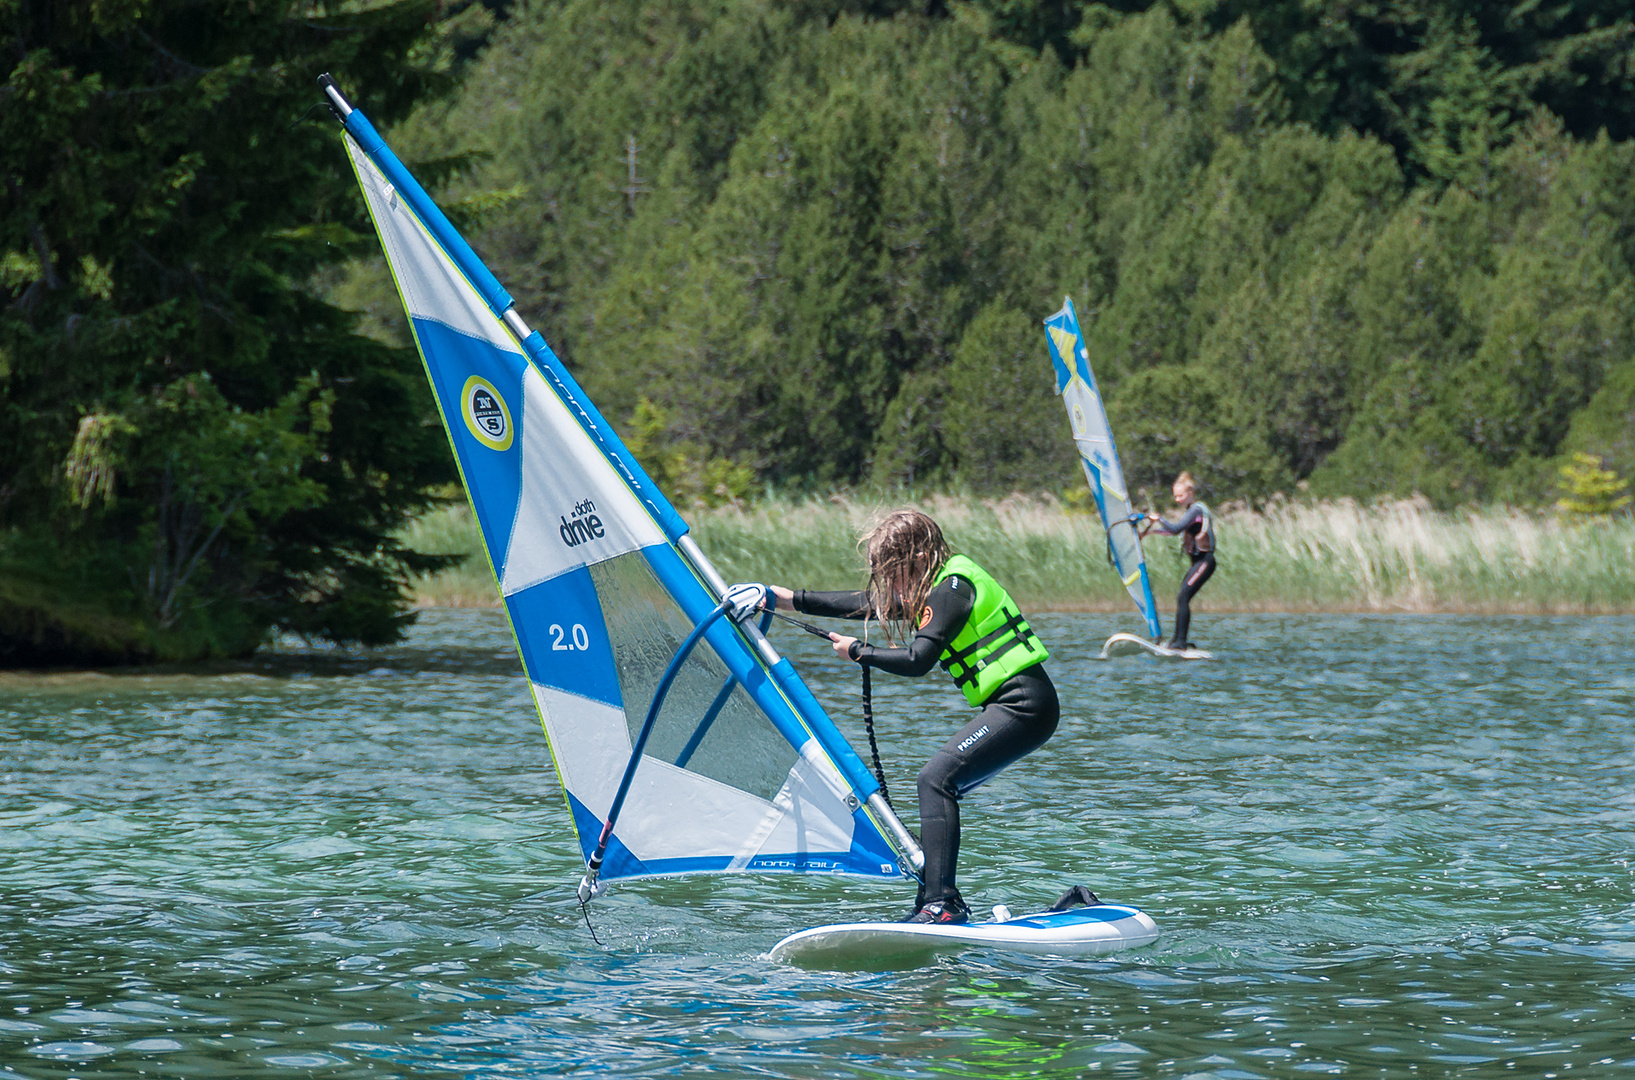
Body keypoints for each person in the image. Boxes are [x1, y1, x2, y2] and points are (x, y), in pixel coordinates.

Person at [767, 509, 1058, 925]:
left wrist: (858, 652)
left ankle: (942, 904)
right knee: (939, 782)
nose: (890, 584)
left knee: (935, 780)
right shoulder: (940, 585)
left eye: (892, 571)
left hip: (1025, 705)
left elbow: (917, 659)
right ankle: (934, 901)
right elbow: (867, 605)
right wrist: (784, 598)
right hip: (1017, 706)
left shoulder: (952, 588)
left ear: (916, 556)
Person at [1144, 471, 1215, 651]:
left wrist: (1159, 518)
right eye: (1175, 496)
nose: (1177, 499)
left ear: (1190, 493)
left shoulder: (1196, 510)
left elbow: (1175, 529)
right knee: (1182, 598)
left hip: (1205, 562)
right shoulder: (1192, 512)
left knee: (1183, 597)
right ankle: (1177, 640)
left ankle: (1180, 642)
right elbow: (1173, 531)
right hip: (1198, 563)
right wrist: (1150, 532)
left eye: (1180, 496)